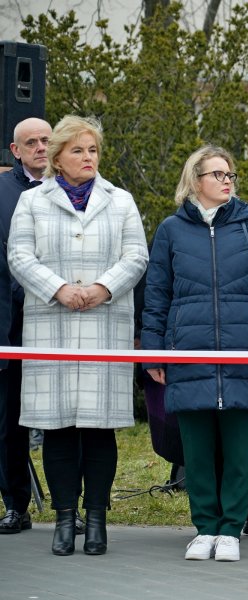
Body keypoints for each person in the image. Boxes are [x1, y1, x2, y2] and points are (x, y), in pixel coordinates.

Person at [7, 115, 148, 556]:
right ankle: (65, 520)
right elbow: (19, 256)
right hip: (52, 325)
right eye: (78, 151)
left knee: (100, 429)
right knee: (60, 428)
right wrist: (60, 289)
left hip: (106, 324)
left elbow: (136, 256)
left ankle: (98, 519)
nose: (88, 158)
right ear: (58, 157)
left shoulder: (120, 199)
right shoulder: (32, 202)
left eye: (93, 151)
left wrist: (100, 288)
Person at [142, 145, 248, 562]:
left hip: (244, 356)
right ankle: (205, 527)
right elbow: (156, 296)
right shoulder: (171, 230)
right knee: (197, 449)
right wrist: (154, 354)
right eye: (218, 174)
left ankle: (231, 531)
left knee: (241, 449)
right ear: (195, 181)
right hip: (189, 355)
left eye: (230, 175)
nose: (227, 181)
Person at [0, 117, 50, 535]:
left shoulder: (78, 191)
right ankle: (16, 505)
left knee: (68, 419)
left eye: (47, 140)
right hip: (11, 326)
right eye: (30, 142)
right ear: (15, 151)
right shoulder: (1, 193)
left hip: (62, 321)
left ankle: (79, 507)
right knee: (8, 421)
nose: (40, 147)